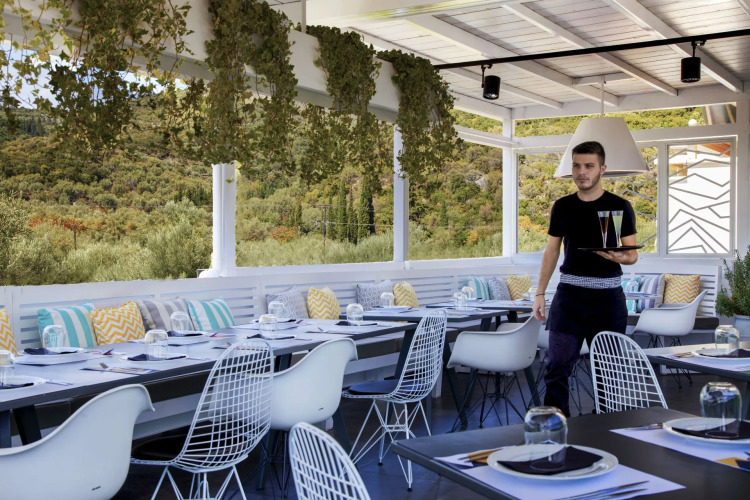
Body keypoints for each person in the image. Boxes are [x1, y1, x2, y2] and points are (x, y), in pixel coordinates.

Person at [532, 141, 638, 417]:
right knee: (556, 369)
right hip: (569, 298)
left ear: (602, 168)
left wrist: (619, 257)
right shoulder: (562, 206)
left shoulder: (620, 206)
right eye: (577, 166)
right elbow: (552, 251)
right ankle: (556, 429)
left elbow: (632, 255)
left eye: (589, 166)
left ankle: (606, 428)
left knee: (608, 371)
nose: (582, 172)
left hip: (608, 301)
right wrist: (540, 293)